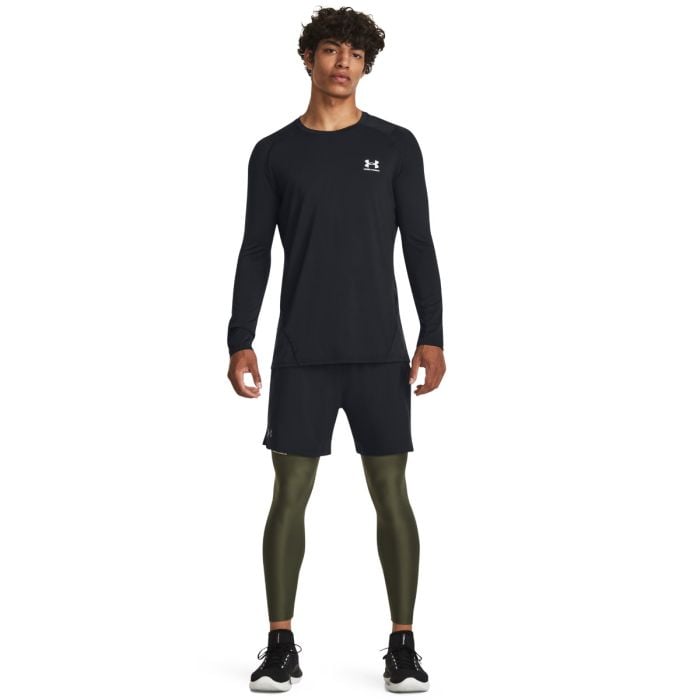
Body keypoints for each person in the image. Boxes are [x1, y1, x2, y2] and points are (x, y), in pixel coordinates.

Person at [226, 6, 446, 693]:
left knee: (392, 493)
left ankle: (403, 645)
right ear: (309, 59)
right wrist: (240, 338)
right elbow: (255, 251)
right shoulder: (273, 153)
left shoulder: (397, 145)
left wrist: (433, 334)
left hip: (380, 353)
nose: (343, 61)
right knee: (288, 496)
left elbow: (419, 245)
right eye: (330, 49)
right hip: (302, 354)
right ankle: (279, 645)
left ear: (366, 65)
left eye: (355, 52)